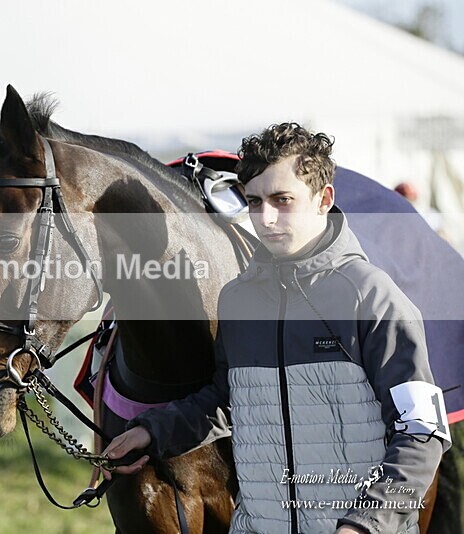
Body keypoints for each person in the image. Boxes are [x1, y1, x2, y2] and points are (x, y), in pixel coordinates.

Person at [102, 123, 450, 534]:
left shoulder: (372, 298)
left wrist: (366, 524)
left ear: (324, 200)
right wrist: (152, 431)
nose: (266, 219)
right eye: (254, 202)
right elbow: (229, 399)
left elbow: (422, 433)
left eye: (282, 200)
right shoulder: (237, 300)